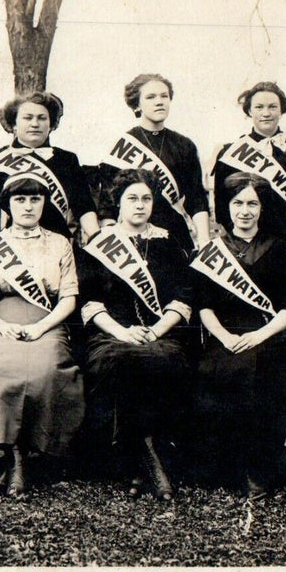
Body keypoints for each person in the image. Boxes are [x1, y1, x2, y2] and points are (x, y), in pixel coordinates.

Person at [0, 174, 85, 499]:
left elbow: (68, 297)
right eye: (20, 199)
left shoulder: (59, 243)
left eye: (35, 199)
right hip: (0, 321)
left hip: (46, 320)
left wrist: (42, 326)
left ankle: (30, 453)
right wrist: (0, 325)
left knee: (45, 370)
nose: (28, 206)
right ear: (7, 205)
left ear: (44, 204)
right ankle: (9, 455)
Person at [79, 169, 194, 502]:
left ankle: (138, 462)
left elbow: (182, 296)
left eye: (146, 198)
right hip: (112, 334)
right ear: (118, 202)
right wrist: (123, 332)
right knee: (120, 362)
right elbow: (90, 301)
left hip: (161, 332)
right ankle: (148, 459)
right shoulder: (99, 244)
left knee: (165, 360)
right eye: (132, 198)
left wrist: (156, 330)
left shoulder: (167, 243)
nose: (140, 205)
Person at [192, 173, 286, 498]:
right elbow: (204, 306)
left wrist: (261, 334)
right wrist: (224, 337)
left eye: (252, 204)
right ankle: (227, 468)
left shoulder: (282, 250)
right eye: (238, 203)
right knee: (219, 371)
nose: (245, 211)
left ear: (262, 207)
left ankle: (261, 469)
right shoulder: (211, 253)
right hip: (226, 336)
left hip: (270, 334)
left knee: (264, 372)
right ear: (226, 207)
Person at [95, 73, 210, 252]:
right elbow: (107, 205)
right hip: (131, 239)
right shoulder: (121, 145)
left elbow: (196, 198)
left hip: (175, 235)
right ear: (137, 104)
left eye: (164, 96)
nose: (159, 102)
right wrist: (112, 244)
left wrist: (204, 240)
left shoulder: (184, 145)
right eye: (151, 97)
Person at [212, 81, 286, 256]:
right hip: (249, 245)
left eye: (272, 107)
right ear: (249, 111)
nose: (266, 113)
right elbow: (222, 208)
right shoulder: (230, 152)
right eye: (259, 107)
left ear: (281, 110)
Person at [0, 91, 99, 245]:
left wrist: (97, 238)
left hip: (57, 246)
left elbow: (84, 207)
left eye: (42, 118)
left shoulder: (66, 160)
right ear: (14, 124)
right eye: (27, 118)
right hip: (9, 248)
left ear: (51, 124)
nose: (35, 124)